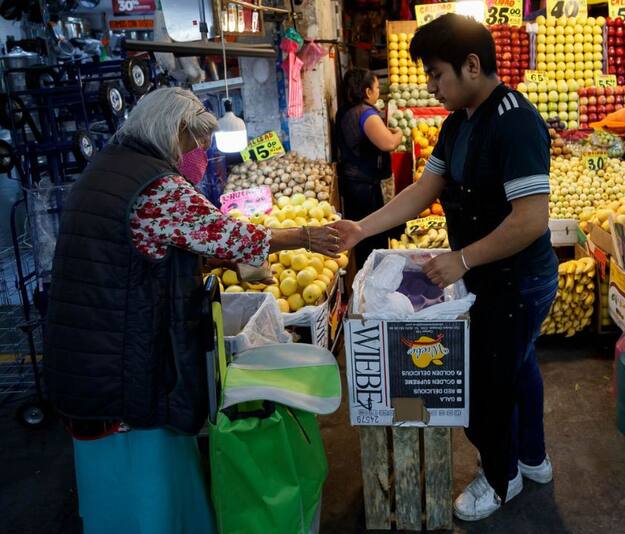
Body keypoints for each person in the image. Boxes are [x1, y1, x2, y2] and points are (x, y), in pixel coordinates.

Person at [43, 87, 341, 534]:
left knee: (124, 485)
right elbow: (225, 234)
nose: (200, 157)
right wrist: (304, 237)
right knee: (145, 487)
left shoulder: (109, 166)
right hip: (119, 360)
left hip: (89, 351)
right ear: (174, 132)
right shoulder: (155, 186)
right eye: (196, 145)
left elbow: (149, 247)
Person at [332, 14, 557, 522]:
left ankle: (502, 479)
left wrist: (462, 258)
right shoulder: (460, 124)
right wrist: (361, 229)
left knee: (487, 384)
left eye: (436, 73)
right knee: (519, 368)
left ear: (471, 65)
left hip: (517, 279)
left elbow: (530, 220)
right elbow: (422, 190)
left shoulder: (515, 122)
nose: (431, 84)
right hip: (490, 277)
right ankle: (533, 458)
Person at [336, 67, 404, 269]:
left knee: (361, 236)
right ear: (367, 92)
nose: (377, 92)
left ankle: (365, 276)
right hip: (365, 187)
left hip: (353, 183)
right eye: (375, 88)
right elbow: (388, 144)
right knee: (372, 237)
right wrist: (398, 133)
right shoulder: (366, 113)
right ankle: (374, 279)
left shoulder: (344, 111)